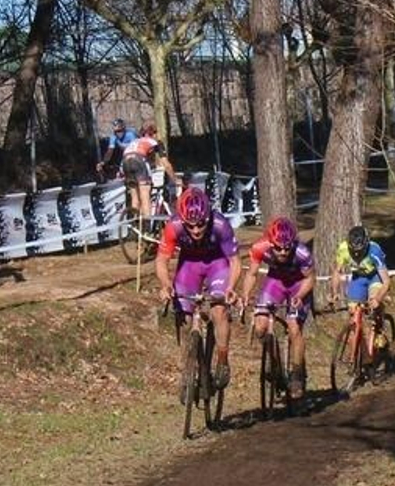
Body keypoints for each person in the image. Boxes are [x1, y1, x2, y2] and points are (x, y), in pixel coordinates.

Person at [155, 186, 238, 389]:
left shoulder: (220, 224)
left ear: (208, 218)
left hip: (217, 264)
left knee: (218, 310)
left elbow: (235, 262)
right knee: (183, 315)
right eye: (190, 226)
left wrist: (231, 287)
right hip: (189, 265)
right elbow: (161, 260)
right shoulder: (173, 226)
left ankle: (222, 360)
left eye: (201, 224)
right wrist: (165, 285)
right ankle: (191, 367)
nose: (196, 230)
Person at [237, 217, 315, 399]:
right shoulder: (259, 247)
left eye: (287, 248)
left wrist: (299, 296)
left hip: (298, 285)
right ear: (270, 243)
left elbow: (310, 278)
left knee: (294, 327)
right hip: (276, 282)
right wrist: (245, 295)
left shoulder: (302, 253)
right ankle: (276, 366)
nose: (283, 252)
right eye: (278, 248)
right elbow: (252, 274)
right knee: (260, 326)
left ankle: (297, 375)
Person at [334, 225, 391, 353]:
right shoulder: (343, 249)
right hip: (358, 278)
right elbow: (337, 272)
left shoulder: (375, 251)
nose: (356, 255)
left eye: (360, 252)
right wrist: (334, 292)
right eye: (353, 251)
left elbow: (386, 281)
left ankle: (379, 329)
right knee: (353, 312)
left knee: (374, 303)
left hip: (375, 277)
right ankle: (358, 355)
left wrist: (377, 299)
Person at [120, 124, 177, 224]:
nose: (157, 135)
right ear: (152, 134)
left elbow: (149, 159)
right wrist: (175, 180)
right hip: (138, 160)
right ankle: (147, 227)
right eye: (155, 133)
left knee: (135, 198)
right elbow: (166, 164)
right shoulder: (154, 142)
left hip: (125, 161)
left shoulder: (135, 141)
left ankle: (135, 226)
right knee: (145, 196)